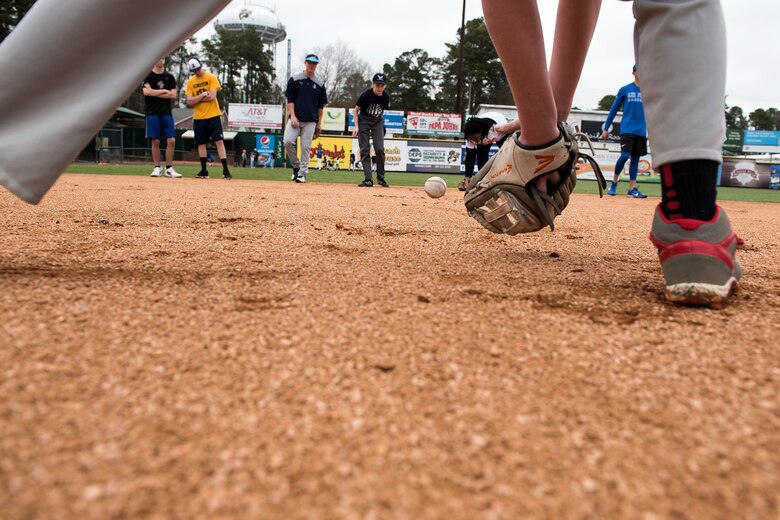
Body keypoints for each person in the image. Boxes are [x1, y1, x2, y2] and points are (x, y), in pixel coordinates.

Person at [472, 0, 738, 308]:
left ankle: (668, 202)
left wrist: (541, 133)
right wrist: (545, 125)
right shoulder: (626, 90)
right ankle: (693, 219)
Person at [601, 64, 648, 198]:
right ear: (634, 73)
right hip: (627, 128)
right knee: (625, 155)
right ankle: (614, 182)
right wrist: (606, 128)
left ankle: (632, 189)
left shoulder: (648, 90)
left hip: (641, 130)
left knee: (635, 159)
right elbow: (613, 109)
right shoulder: (625, 89)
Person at [284, 53, 328, 184]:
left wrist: (319, 124)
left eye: (314, 63)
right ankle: (296, 167)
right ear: (305, 63)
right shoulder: (295, 79)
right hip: (295, 119)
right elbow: (290, 99)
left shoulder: (319, 84)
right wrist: (292, 115)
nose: (312, 65)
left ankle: (302, 173)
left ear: (317, 65)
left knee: (305, 147)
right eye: (310, 62)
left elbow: (321, 106)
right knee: (287, 141)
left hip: (310, 121)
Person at [185, 57, 231, 179]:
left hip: (213, 115)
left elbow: (212, 97)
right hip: (199, 117)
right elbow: (189, 101)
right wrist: (202, 95)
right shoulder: (190, 82)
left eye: (198, 69)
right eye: (194, 70)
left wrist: (196, 99)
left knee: (219, 142)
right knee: (201, 143)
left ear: (201, 65)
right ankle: (204, 171)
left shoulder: (211, 77)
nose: (197, 72)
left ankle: (225, 170)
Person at [142, 57, 181, 178]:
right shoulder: (147, 76)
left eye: (163, 58)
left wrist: (155, 92)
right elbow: (146, 93)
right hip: (152, 112)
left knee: (171, 140)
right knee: (156, 141)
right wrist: (164, 91)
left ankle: (169, 168)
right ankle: (157, 168)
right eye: (159, 58)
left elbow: (173, 95)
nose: (161, 60)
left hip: (166, 113)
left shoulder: (170, 77)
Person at [353, 73, 390, 187]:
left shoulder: (385, 97)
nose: (380, 87)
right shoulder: (366, 95)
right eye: (377, 85)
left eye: (382, 85)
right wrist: (356, 126)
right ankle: (368, 179)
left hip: (377, 121)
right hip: (364, 120)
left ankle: (381, 178)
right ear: (373, 84)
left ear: (385, 86)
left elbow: (381, 112)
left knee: (379, 149)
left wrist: (381, 127)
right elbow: (355, 110)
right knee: (364, 149)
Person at [458, 112, 512, 191]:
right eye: (471, 138)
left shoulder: (496, 129)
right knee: (481, 159)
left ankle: (508, 181)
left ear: (481, 132)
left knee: (506, 155)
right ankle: (483, 182)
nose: (474, 141)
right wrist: (467, 177)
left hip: (500, 129)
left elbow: (511, 134)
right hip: (484, 135)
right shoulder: (471, 138)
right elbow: (470, 157)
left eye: (476, 138)